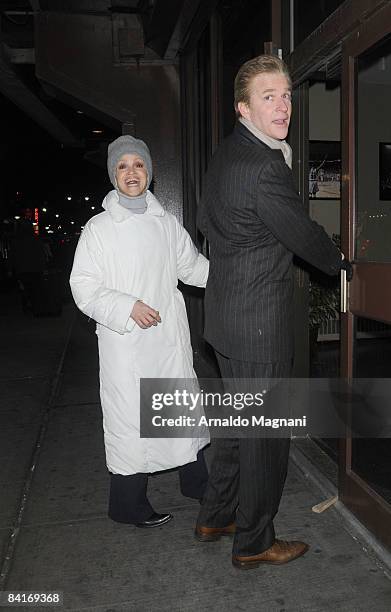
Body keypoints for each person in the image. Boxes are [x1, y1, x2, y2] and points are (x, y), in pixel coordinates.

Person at [195, 55, 352, 568]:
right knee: (266, 437)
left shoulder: (225, 155)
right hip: (257, 326)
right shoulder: (265, 167)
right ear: (244, 109)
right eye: (269, 96)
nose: (283, 104)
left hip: (224, 318)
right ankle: (255, 541)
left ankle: (216, 514)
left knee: (238, 429)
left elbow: (205, 221)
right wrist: (340, 262)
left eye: (286, 94)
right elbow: (304, 236)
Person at [70, 135, 210, 528]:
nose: (132, 173)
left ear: (149, 171)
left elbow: (192, 267)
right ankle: (126, 506)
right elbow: (83, 286)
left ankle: (198, 484)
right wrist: (126, 307)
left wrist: (231, 277)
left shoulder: (166, 223)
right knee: (131, 424)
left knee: (180, 411)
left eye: (139, 165)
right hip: (126, 345)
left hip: (167, 341)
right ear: (113, 175)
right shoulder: (99, 229)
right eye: (122, 166)